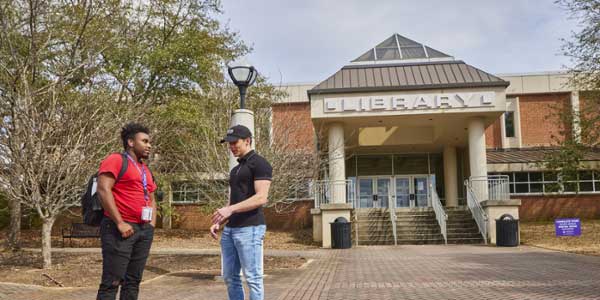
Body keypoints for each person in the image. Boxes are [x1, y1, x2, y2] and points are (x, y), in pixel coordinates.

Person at [210, 124, 273, 300]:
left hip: (250, 228)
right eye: (229, 143)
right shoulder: (235, 169)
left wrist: (229, 209)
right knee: (230, 277)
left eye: (234, 142)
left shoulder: (260, 163)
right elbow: (233, 202)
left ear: (247, 141)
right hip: (231, 230)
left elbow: (261, 198)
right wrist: (219, 220)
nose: (231, 146)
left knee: (253, 278)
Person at [96, 122, 157, 300]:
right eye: (144, 141)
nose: (149, 145)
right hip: (119, 230)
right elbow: (103, 190)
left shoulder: (145, 169)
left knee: (133, 281)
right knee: (112, 282)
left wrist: (151, 225)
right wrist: (120, 222)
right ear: (131, 142)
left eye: (149, 142)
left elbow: (152, 198)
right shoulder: (115, 160)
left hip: (143, 231)